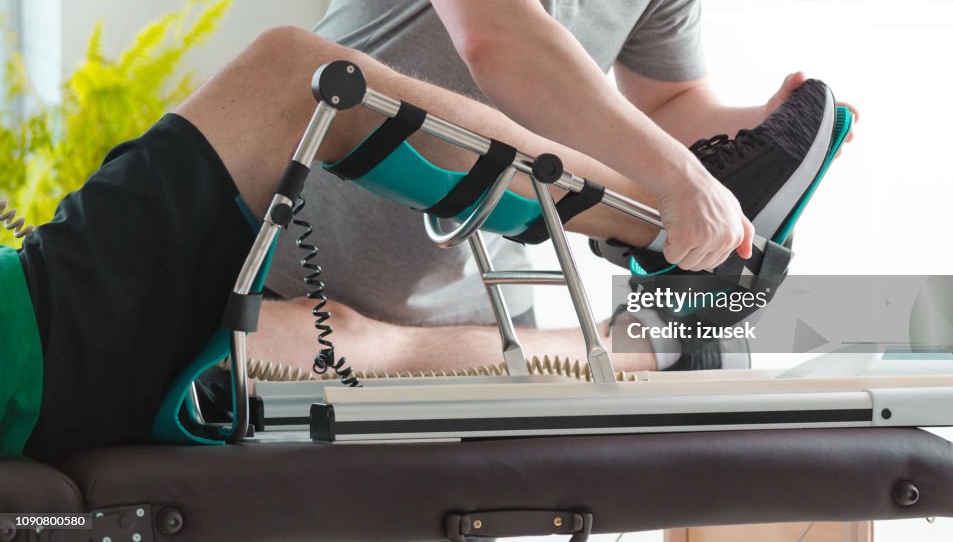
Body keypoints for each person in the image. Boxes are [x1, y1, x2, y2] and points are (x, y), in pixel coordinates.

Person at [2, 26, 841, 461]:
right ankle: (668, 236)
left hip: (52, 389)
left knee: (330, 335)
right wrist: (680, 187)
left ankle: (659, 347)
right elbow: (497, 36)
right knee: (291, 75)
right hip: (32, 336)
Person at [265, 0, 854, 350]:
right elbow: (502, 41)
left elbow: (665, 102)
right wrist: (680, 180)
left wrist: (759, 128)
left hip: (486, 299)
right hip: (295, 271)